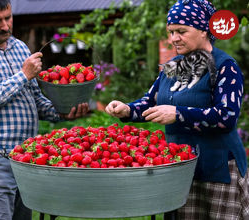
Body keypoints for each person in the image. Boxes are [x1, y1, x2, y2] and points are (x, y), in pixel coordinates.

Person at [106, 0, 249, 219]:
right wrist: (126, 109)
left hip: (218, 169)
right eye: (171, 32)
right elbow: (150, 102)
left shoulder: (224, 66)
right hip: (179, 168)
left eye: (181, 31)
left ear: (204, 30)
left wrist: (178, 114)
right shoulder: (172, 67)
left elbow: (226, 116)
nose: (174, 38)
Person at [0, 0, 89, 219]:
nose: (5, 26)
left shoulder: (20, 48)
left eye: (8, 17)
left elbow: (35, 99)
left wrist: (62, 112)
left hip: (25, 157)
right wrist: (23, 75)